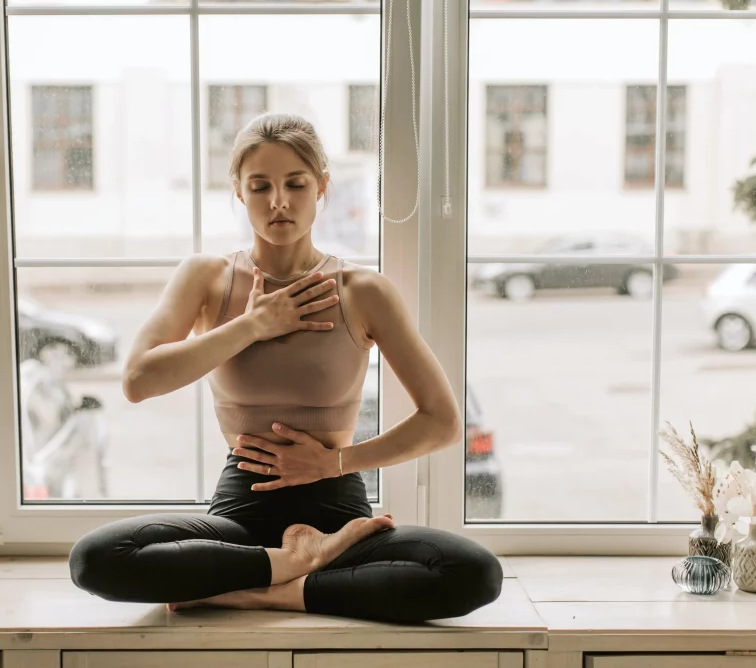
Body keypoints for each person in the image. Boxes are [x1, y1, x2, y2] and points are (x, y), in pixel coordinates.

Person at [69, 113, 503, 624]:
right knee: (95, 560)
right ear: (238, 192)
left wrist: (332, 464)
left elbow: (442, 421)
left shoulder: (362, 290)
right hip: (240, 514)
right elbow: (139, 380)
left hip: (338, 516)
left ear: (321, 187)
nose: (278, 201)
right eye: (260, 186)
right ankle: (291, 567)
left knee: (474, 572)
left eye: (295, 184)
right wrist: (252, 326)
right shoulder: (207, 277)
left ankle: (268, 589)